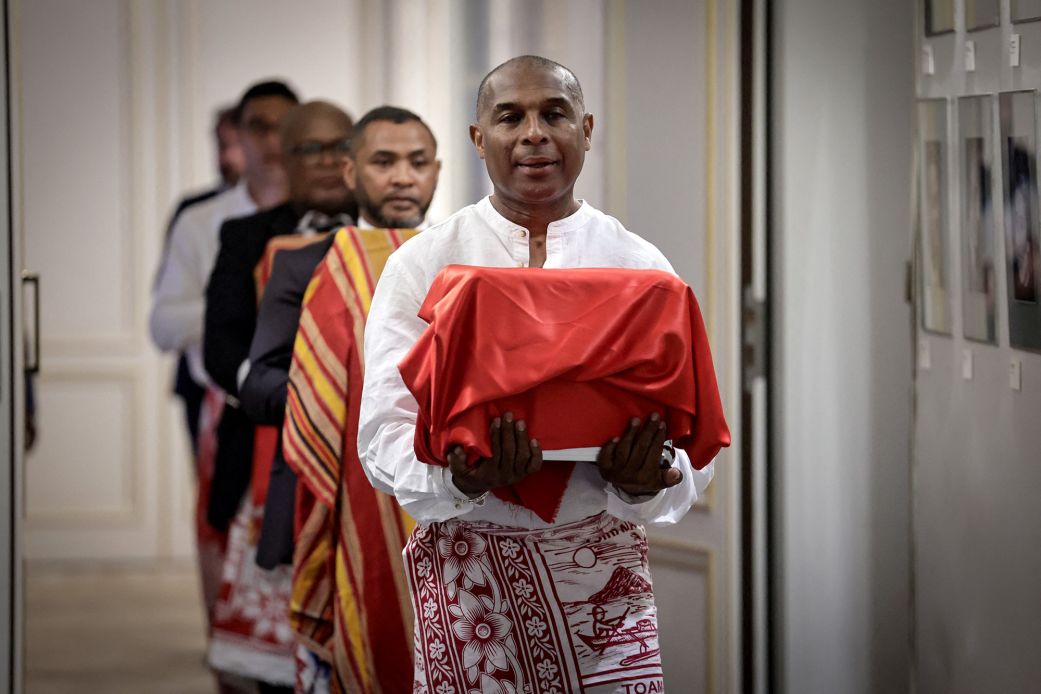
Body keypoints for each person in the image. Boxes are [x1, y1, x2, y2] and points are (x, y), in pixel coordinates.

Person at [357, 56, 724, 692]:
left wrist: (647, 481)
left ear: (585, 130)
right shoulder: (422, 266)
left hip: (604, 586)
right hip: (468, 576)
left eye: (553, 114)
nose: (533, 133)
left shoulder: (641, 268)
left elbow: (693, 449)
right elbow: (383, 436)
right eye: (510, 117)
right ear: (478, 139)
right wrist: (460, 476)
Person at [269, 106, 440, 692]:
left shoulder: (466, 258)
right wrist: (330, 385)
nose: (401, 178)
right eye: (383, 162)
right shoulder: (312, 261)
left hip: (451, 486)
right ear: (350, 171)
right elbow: (257, 378)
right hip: (351, 485)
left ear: (437, 170)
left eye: (417, 163)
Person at [201, 100, 357, 692]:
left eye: (339, 146)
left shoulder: (394, 234)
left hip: (365, 460)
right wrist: (284, 397)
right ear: (282, 160)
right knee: (273, 659)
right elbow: (222, 347)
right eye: (308, 149)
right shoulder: (245, 237)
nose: (325, 161)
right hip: (268, 444)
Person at [148, 79, 298, 693]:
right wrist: (231, 313)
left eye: (283, 127)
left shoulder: (326, 216)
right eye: (257, 126)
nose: (271, 141)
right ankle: (231, 659)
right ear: (236, 134)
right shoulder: (202, 218)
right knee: (222, 532)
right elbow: (162, 323)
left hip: (303, 406)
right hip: (219, 405)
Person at [158, 105, 244, 455]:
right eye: (220, 145)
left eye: (235, 144)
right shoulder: (194, 212)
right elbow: (165, 311)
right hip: (201, 382)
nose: (226, 156)